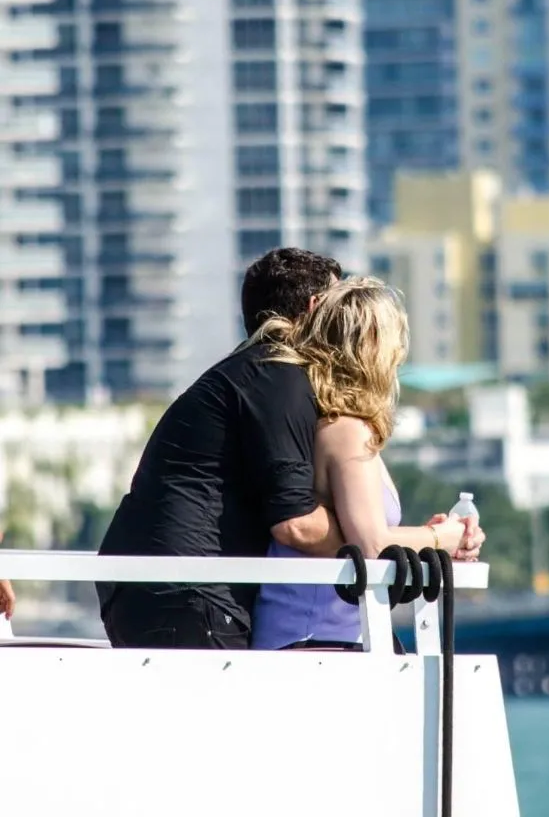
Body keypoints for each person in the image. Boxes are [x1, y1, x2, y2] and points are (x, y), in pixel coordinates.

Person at [97, 247, 346, 649]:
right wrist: (387, 543)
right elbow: (296, 522)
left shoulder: (246, 371)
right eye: (342, 307)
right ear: (316, 307)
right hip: (189, 590)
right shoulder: (278, 374)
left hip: (154, 585)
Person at [251, 277, 484, 651]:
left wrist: (426, 536)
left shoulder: (338, 423)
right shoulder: (346, 430)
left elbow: (362, 532)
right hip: (314, 642)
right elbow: (372, 544)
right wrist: (442, 539)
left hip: (321, 639)